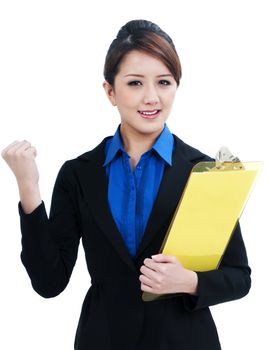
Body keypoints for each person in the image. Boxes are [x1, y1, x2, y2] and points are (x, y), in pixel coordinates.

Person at [1, 19, 251, 350]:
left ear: (177, 86)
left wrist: (189, 281)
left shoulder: (205, 171)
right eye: (135, 83)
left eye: (164, 82)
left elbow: (239, 277)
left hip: (185, 341)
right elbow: (50, 282)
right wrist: (28, 188)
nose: (151, 97)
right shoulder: (79, 174)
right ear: (110, 91)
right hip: (103, 339)